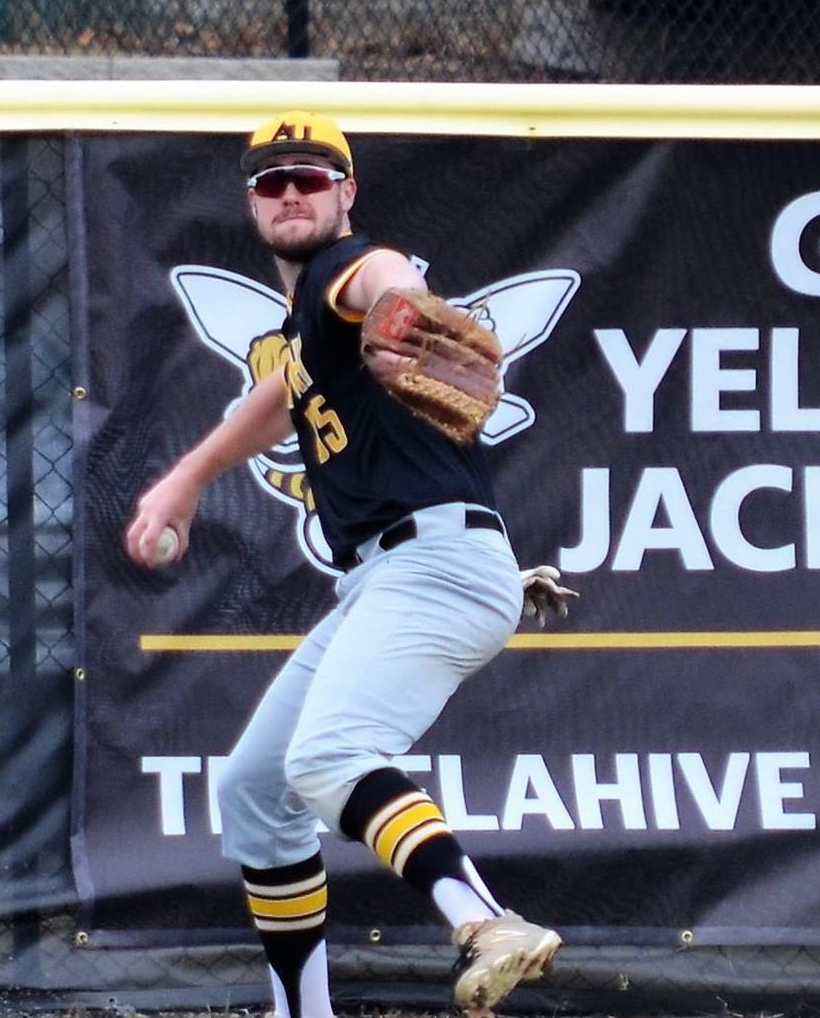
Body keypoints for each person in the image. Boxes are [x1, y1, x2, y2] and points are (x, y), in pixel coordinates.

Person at [125, 110, 568, 1018]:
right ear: (251, 202)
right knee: (255, 790)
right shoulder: (307, 329)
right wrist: (185, 480)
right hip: (397, 573)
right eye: (272, 181)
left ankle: (484, 919)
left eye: (312, 177)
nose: (291, 193)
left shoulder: (345, 273)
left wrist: (402, 307)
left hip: (433, 565)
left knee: (328, 758)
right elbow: (280, 395)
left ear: (346, 194)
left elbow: (383, 276)